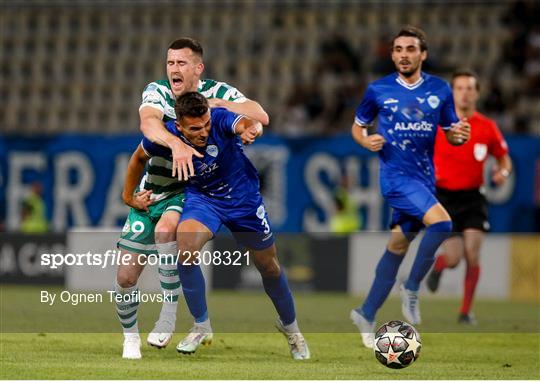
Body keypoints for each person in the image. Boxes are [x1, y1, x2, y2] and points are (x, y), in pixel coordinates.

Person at [116, 37, 269, 359]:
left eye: (181, 63)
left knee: (167, 232)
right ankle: (130, 338)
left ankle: (168, 317)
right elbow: (147, 125)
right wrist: (175, 144)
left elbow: (259, 115)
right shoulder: (156, 92)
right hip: (152, 188)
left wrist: (221, 108)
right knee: (126, 276)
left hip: (186, 190)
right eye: (170, 63)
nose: (174, 68)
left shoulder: (219, 92)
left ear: (198, 68)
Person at [143, 91, 310, 360]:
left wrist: (249, 129)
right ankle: (201, 325)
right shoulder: (169, 136)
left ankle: (292, 330)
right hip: (203, 201)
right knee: (185, 247)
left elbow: (244, 122)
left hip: (244, 201)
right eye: (196, 127)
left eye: (207, 124)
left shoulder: (219, 118)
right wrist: (130, 194)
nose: (205, 131)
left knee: (269, 266)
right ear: (180, 125)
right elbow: (140, 155)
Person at [348, 26, 471, 348]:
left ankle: (365, 311)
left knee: (398, 246)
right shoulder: (378, 89)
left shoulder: (440, 90)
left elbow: (451, 133)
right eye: (398, 49)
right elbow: (358, 127)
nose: (404, 54)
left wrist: (460, 136)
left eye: (410, 49)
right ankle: (412, 286)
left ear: (422, 54)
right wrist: (366, 140)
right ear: (392, 55)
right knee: (443, 223)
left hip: (423, 179)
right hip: (395, 179)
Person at [427, 69, 512, 324]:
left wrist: (504, 172)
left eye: (469, 88)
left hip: (474, 198)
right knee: (454, 259)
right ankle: (440, 265)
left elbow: (503, 157)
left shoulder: (487, 127)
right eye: (460, 88)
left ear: (476, 93)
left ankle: (465, 311)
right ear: (452, 93)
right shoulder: (438, 125)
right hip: (445, 198)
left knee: (473, 254)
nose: (464, 93)